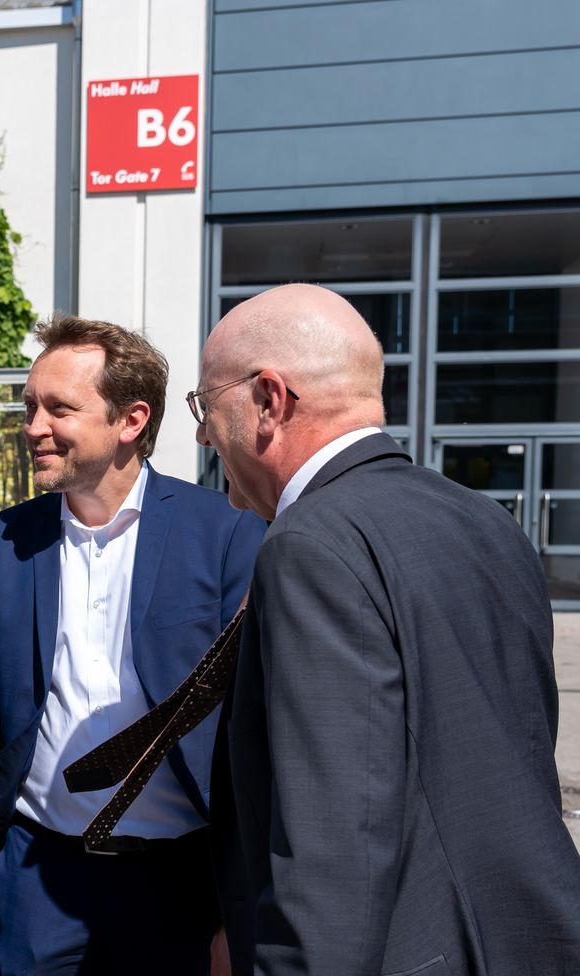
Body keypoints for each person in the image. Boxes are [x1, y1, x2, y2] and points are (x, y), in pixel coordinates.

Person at [195, 283, 580, 975]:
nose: (201, 433)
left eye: (206, 405)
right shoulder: (482, 517)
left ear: (268, 400)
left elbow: (334, 840)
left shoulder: (310, 543)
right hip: (527, 935)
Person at [0, 314, 267, 975]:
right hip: (38, 869)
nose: (33, 427)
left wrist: (242, 904)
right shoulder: (4, 542)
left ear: (131, 420)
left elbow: (252, 728)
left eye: (59, 408)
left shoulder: (224, 531)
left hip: (178, 879)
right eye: (31, 407)